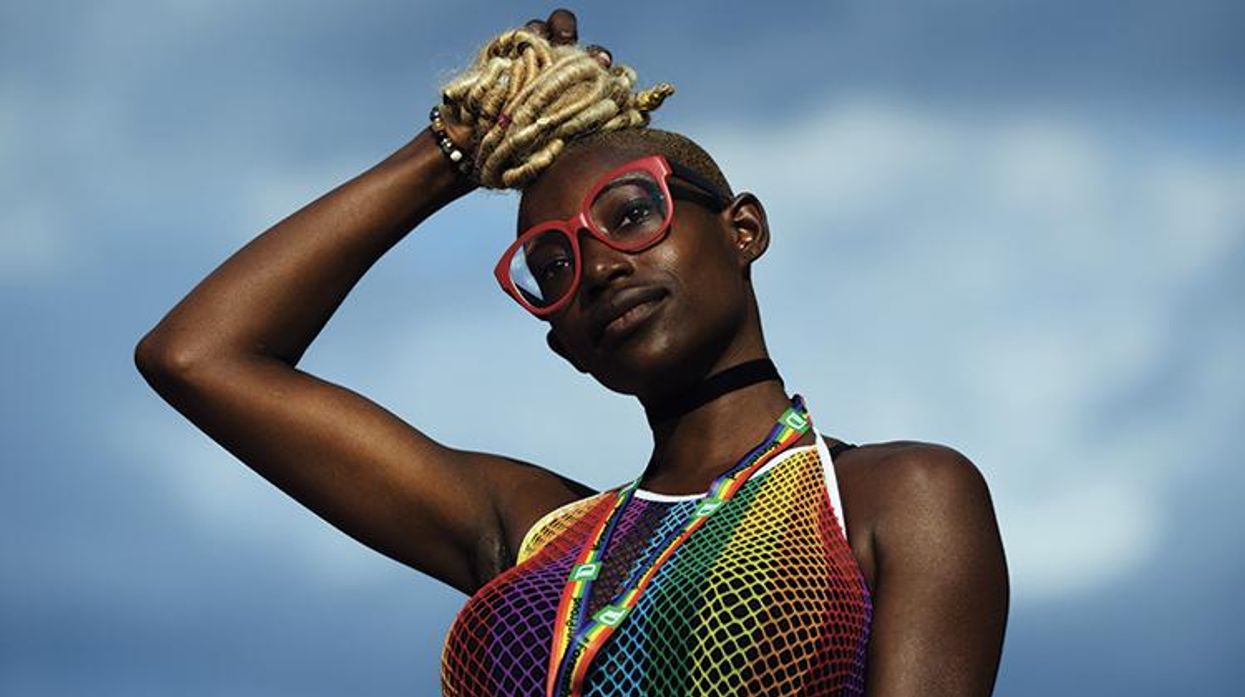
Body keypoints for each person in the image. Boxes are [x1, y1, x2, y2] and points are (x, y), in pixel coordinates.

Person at [134, 9, 1008, 696]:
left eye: (631, 215)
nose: (599, 268)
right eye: (552, 267)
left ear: (743, 228)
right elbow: (196, 354)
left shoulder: (898, 494)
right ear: (561, 343)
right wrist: (452, 150)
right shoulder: (541, 536)